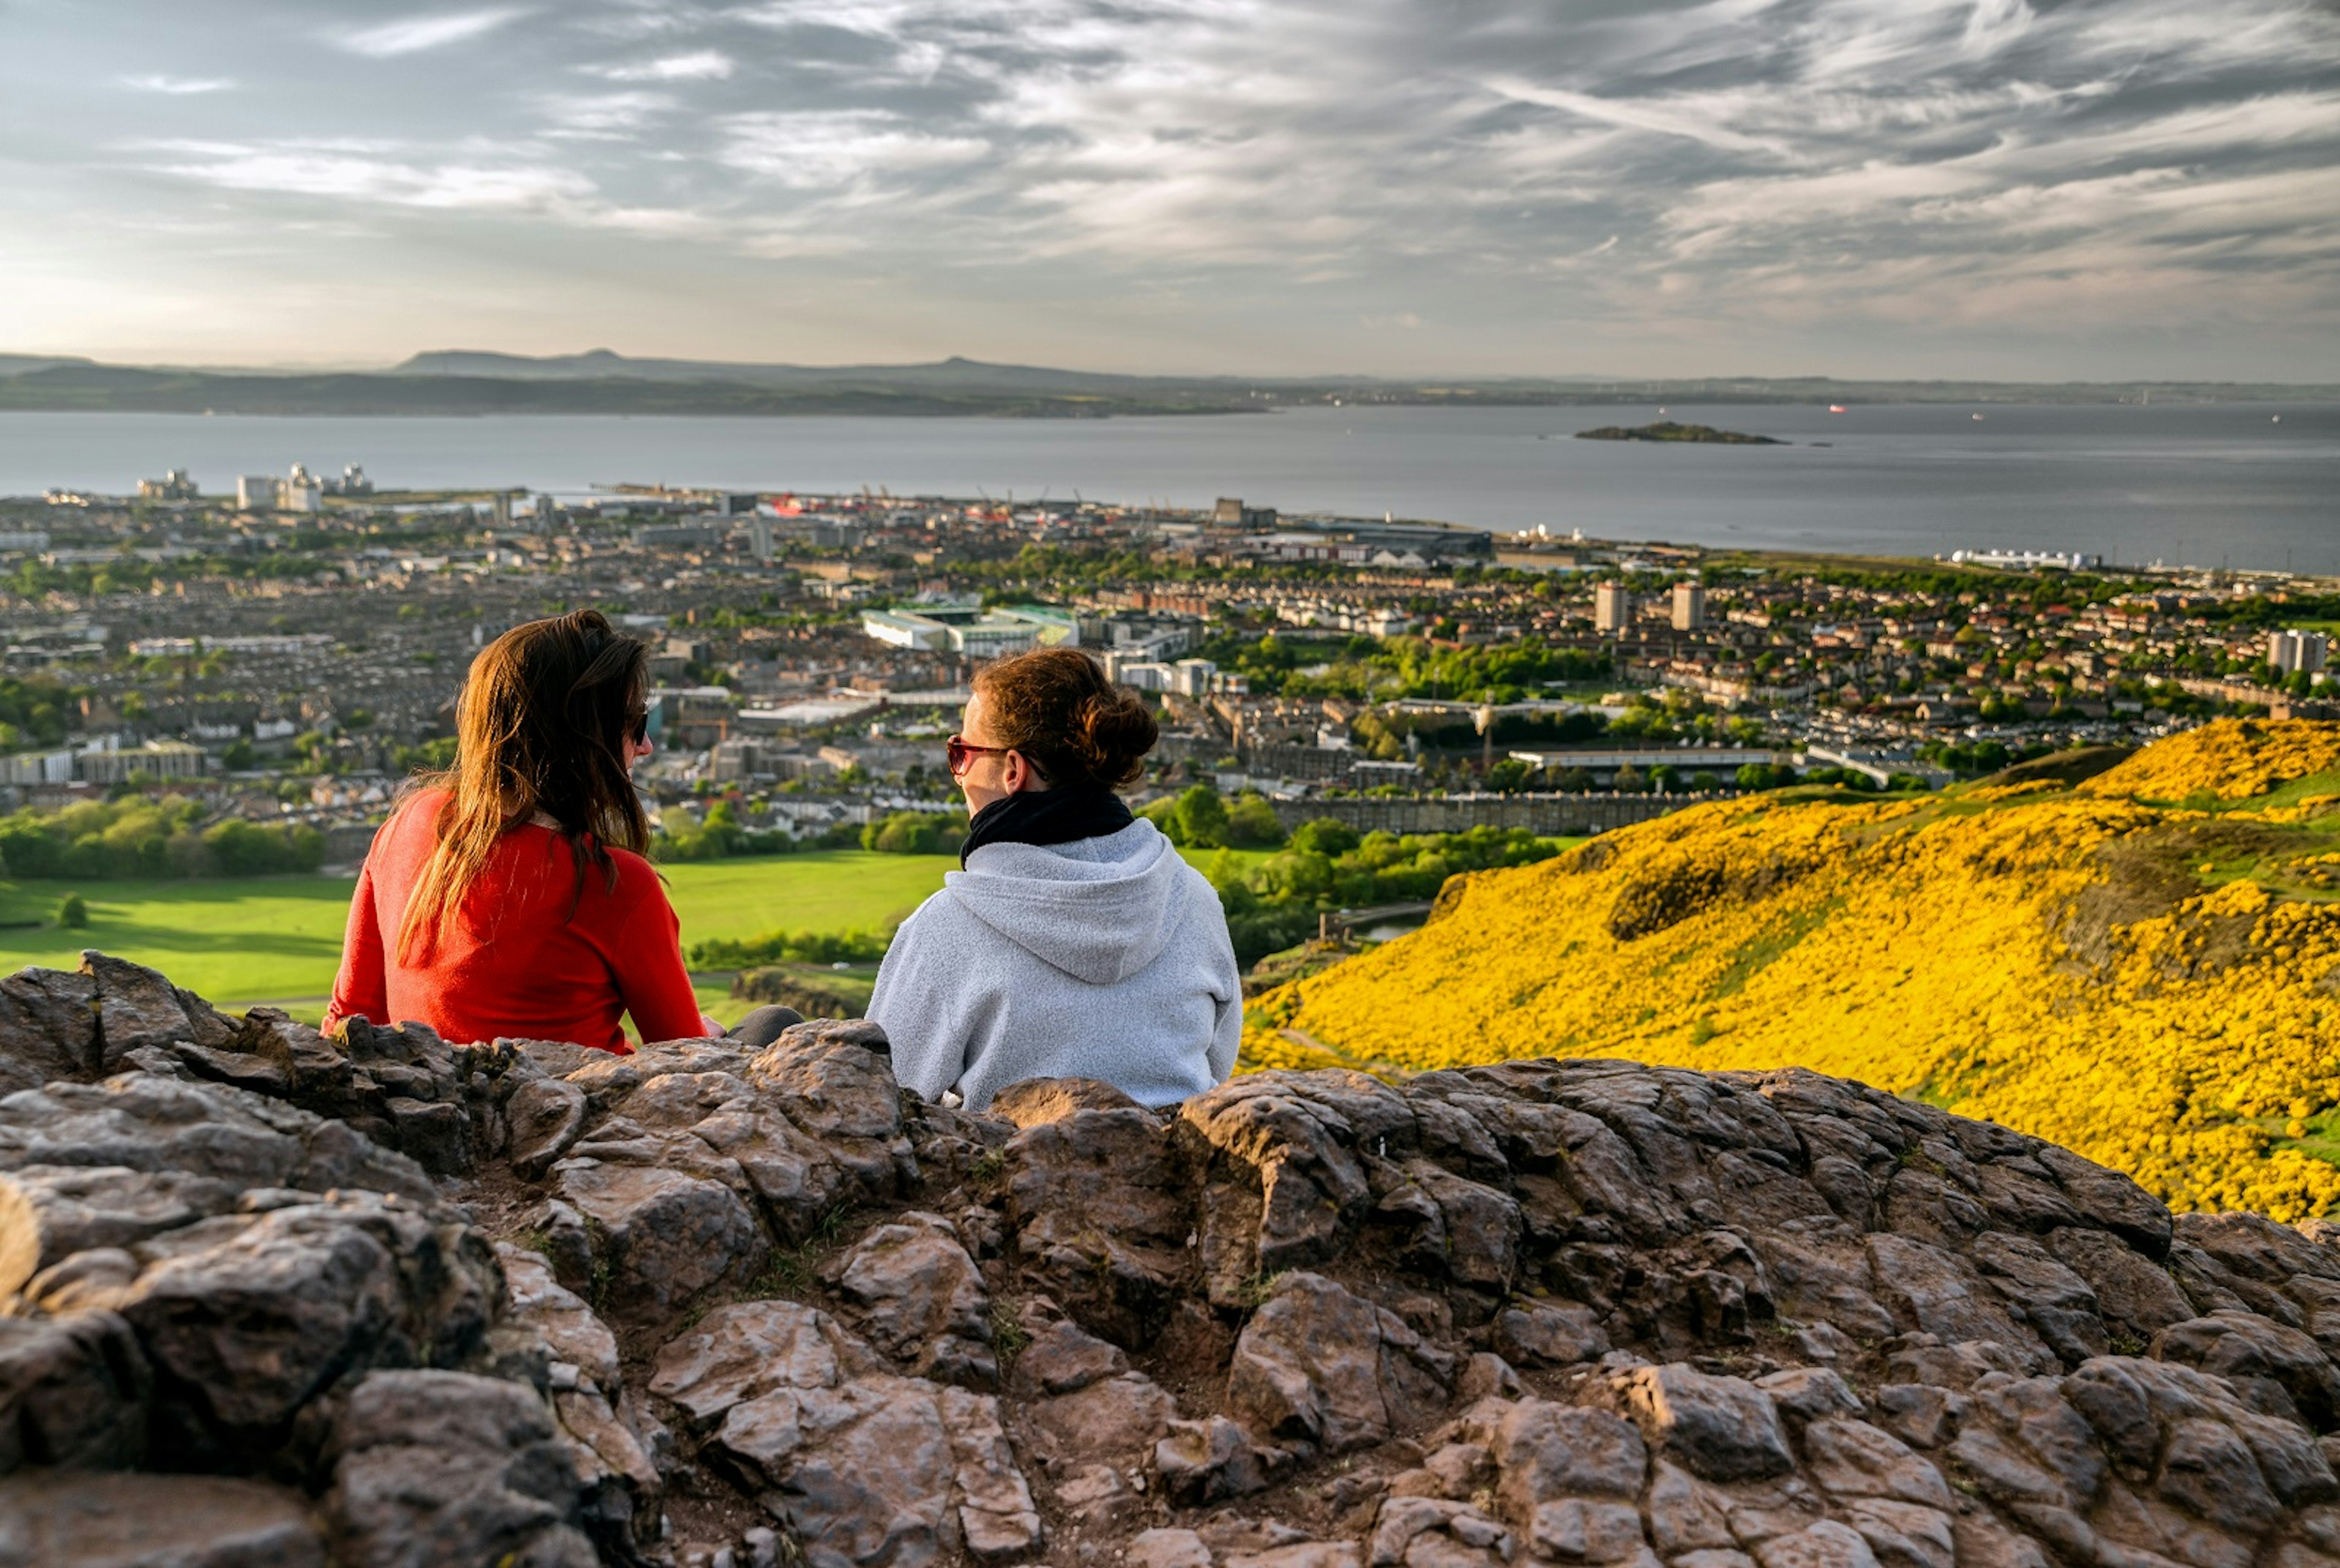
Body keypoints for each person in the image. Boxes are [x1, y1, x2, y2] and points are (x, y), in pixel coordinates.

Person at [324, 609, 800, 1053]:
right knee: (774, 1023)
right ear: (580, 736)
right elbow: (684, 1058)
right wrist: (705, 1032)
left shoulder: (404, 825)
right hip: (574, 1120)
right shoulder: (612, 882)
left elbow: (348, 1020)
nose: (647, 745)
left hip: (442, 1106)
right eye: (635, 724)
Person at [868, 647, 1241, 1110]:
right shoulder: (1195, 899)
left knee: (770, 1025)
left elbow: (884, 1100)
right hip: (1171, 1169)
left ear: (1012, 771)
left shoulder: (947, 928)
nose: (958, 774)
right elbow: (1216, 1065)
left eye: (961, 753)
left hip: (1017, 1175)